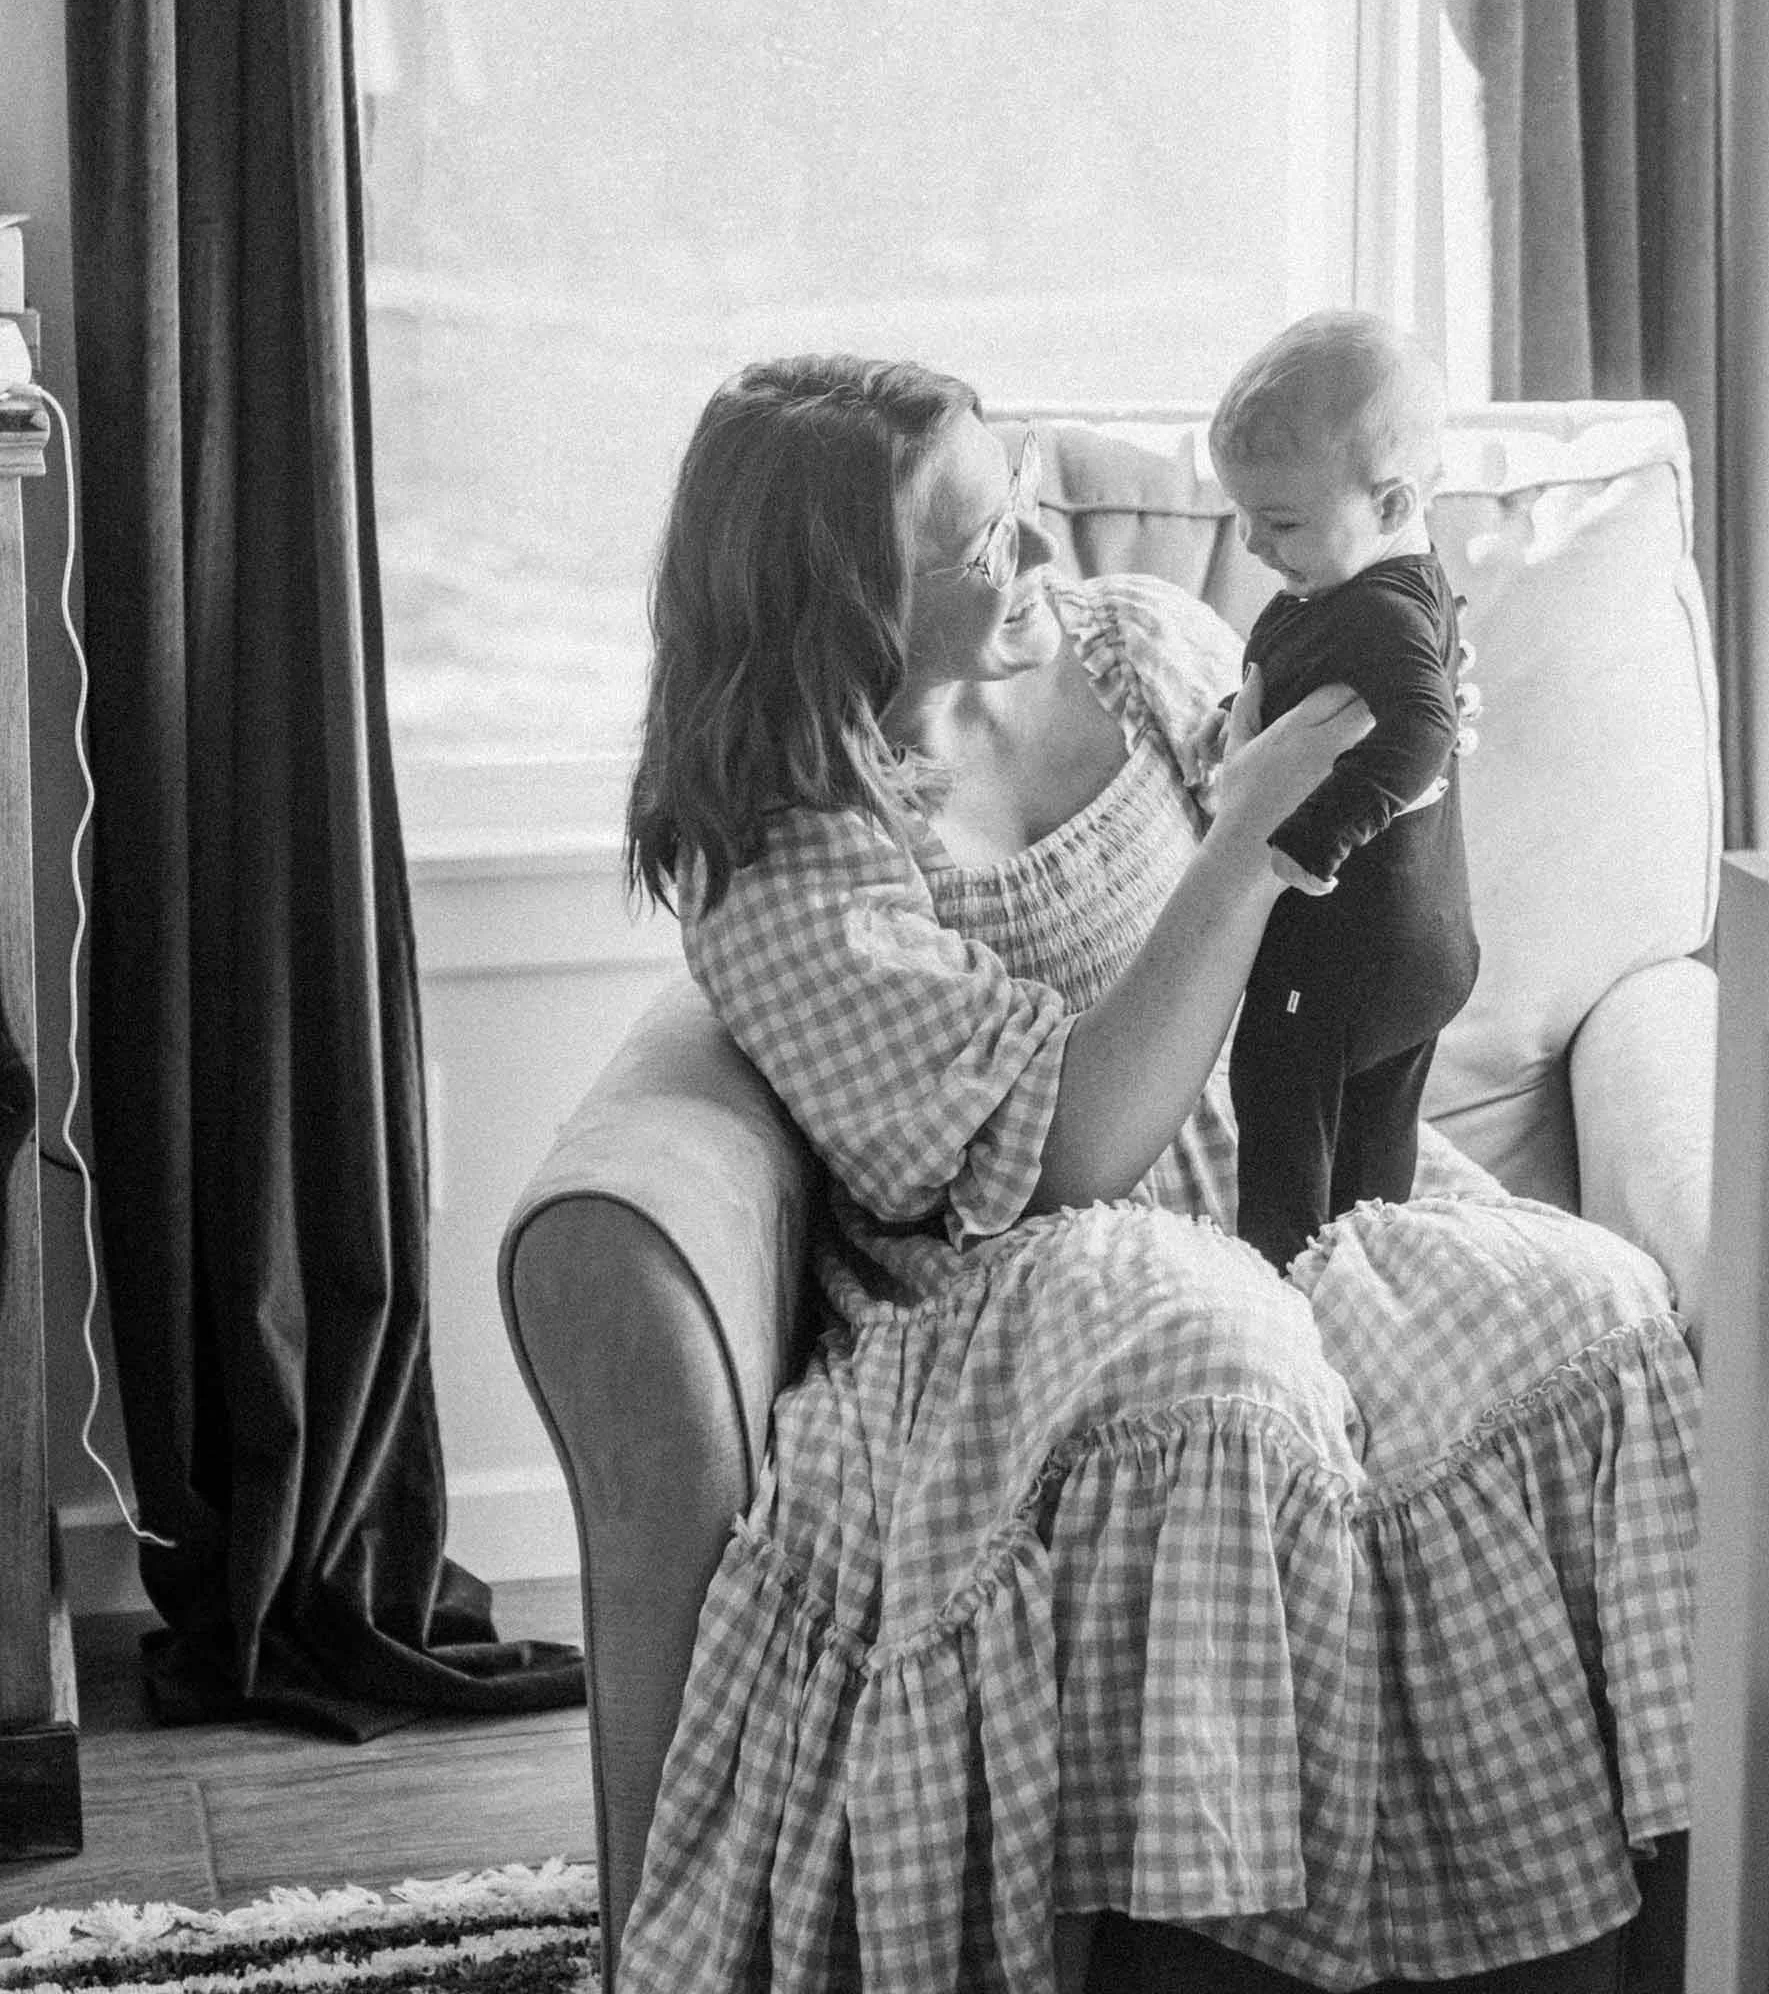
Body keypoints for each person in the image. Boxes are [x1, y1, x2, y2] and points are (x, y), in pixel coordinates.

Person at [616, 356, 1697, 1994]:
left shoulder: (1126, 651)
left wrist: (1394, 733)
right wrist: (1252, 841)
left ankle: (1609, 1937)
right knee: (1219, 1362)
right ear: (838, 614)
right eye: (981, 548)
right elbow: (1068, 1158)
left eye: (1020, 510)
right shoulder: (787, 856)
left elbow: (1366, 859)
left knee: (1584, 1310)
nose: (1041, 557)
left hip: (1273, 1183)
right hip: (1014, 1289)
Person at [1208, 314, 1480, 1272]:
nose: (1253, 542)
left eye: (1280, 523)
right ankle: (1367, 1276)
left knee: (1280, 1110)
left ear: (1391, 500)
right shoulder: (1392, 585)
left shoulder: (1379, 610)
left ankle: (1278, 1285)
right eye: (1242, 516)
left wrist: (1313, 838)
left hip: (1342, 954)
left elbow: (1425, 729)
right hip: (1423, 945)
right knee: (1372, 1148)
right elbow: (1319, 700)